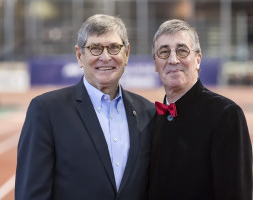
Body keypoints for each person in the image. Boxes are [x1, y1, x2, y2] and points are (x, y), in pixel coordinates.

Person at [15, 14, 155, 200]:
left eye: (114, 48)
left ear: (127, 53)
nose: (105, 57)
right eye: (95, 48)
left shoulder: (148, 112)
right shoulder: (47, 111)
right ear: (79, 56)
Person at [149, 19, 253, 200]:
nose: (173, 60)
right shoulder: (152, 118)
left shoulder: (226, 114)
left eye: (182, 51)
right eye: (164, 52)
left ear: (197, 60)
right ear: (156, 63)